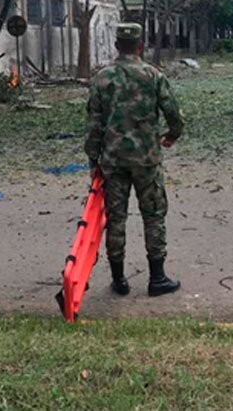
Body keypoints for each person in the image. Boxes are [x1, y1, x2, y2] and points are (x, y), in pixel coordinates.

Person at [85, 23, 185, 297]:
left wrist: (94, 160)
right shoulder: (153, 75)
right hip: (146, 159)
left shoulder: (102, 79)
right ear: (140, 46)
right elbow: (173, 112)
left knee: (115, 218)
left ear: (117, 46)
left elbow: (93, 125)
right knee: (153, 216)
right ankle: (157, 278)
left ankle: (119, 280)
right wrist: (173, 134)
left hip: (113, 160)